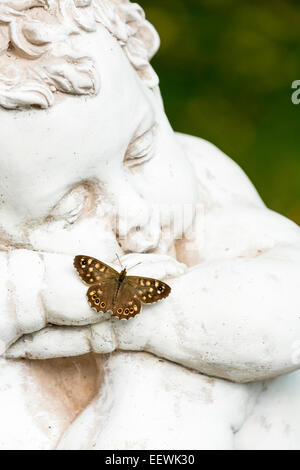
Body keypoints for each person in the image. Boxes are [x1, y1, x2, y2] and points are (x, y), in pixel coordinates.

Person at [0, 0, 300, 449]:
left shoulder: (205, 182)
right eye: (70, 209)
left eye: (139, 151)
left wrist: (139, 326)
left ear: (149, 86)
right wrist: (35, 293)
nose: (134, 209)